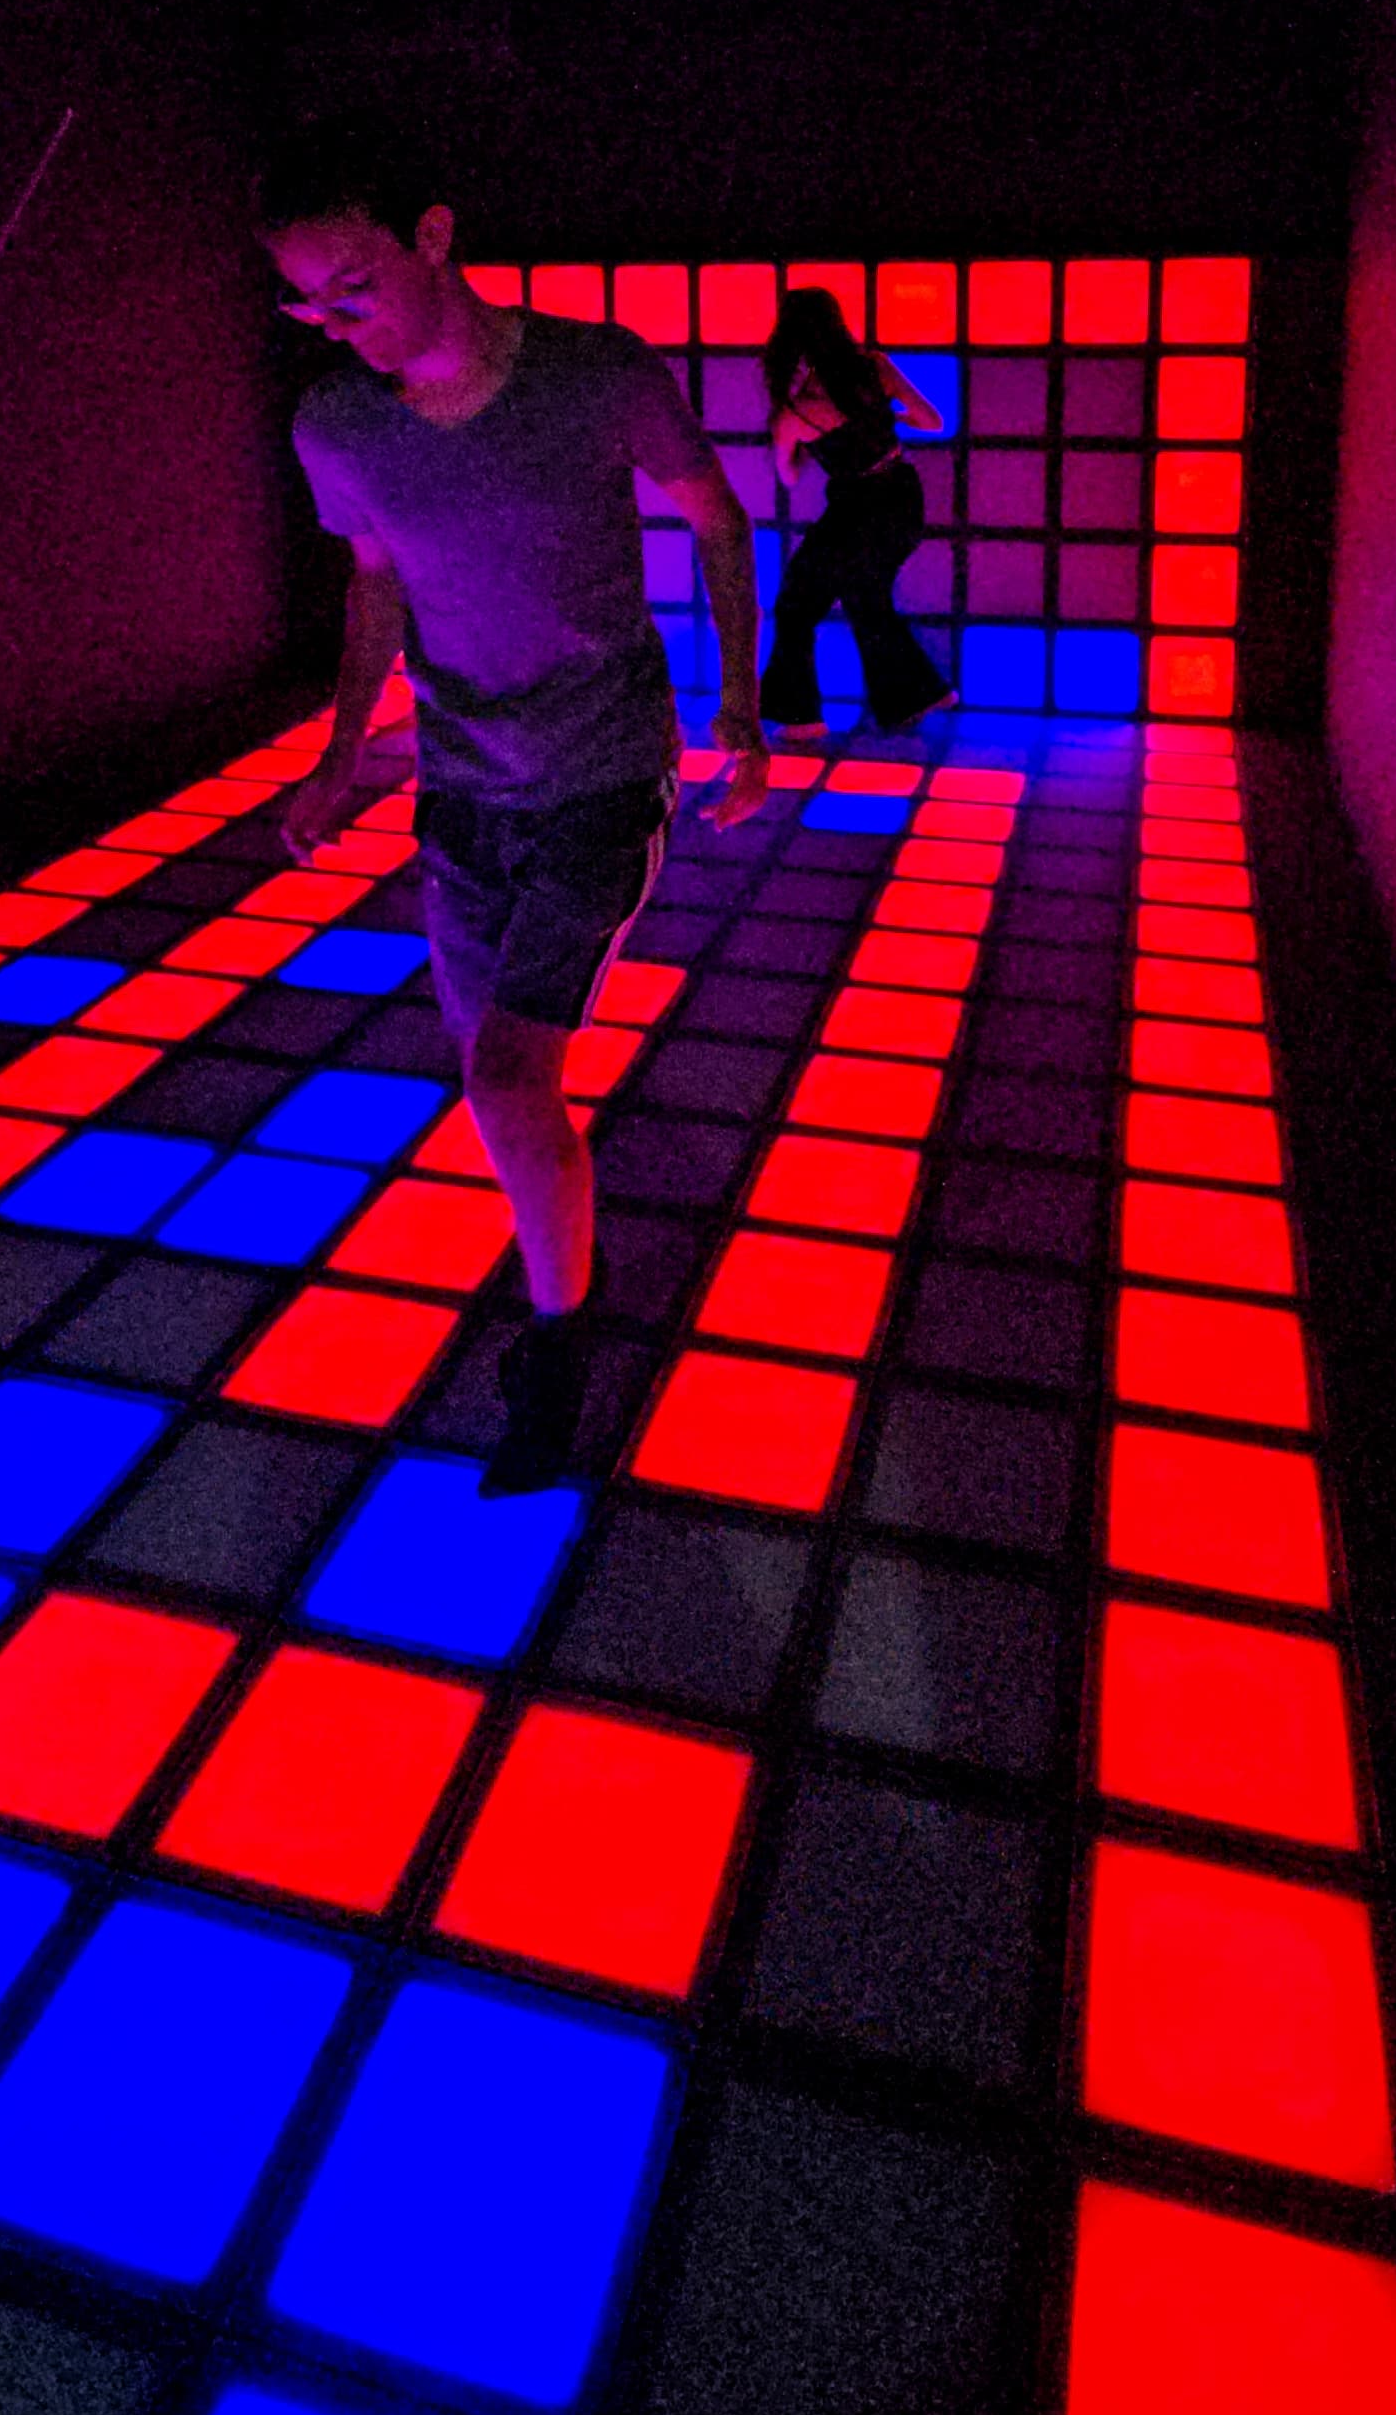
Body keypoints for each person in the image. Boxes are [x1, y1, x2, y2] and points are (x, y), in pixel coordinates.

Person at [257, 124, 770, 1491]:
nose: (333, 321)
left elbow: (718, 514)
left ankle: (559, 1351)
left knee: (505, 1073)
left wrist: (740, 709)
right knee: (502, 1082)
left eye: (351, 281)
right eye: (306, 300)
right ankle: (560, 1271)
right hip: (460, 788)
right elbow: (374, 581)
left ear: (432, 233)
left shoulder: (595, 372)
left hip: (601, 778)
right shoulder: (336, 423)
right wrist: (342, 756)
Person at [757, 285, 957, 739]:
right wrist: (889, 420)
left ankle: (801, 718)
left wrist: (805, 444)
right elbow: (932, 421)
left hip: (855, 508)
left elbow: (788, 476)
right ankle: (922, 695)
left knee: (797, 602)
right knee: (865, 597)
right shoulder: (876, 367)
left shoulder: (796, 410)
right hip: (902, 497)